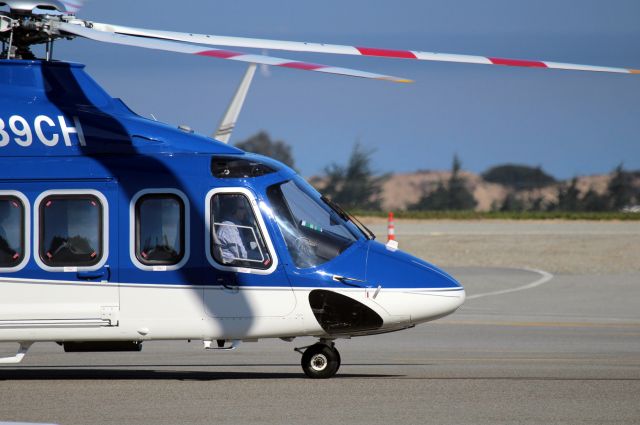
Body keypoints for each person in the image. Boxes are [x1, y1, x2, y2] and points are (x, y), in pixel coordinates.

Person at [215, 195, 252, 264]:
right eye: (241, 208)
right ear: (233, 209)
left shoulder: (235, 223)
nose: (245, 212)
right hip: (232, 264)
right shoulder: (228, 227)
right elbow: (242, 255)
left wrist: (249, 239)